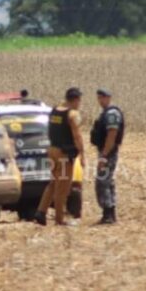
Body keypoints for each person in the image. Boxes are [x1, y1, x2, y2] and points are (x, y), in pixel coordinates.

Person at [34, 87, 86, 226]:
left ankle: (41, 212)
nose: (79, 103)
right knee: (62, 186)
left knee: (53, 183)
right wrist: (82, 154)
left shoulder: (55, 110)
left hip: (51, 150)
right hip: (64, 153)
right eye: (79, 100)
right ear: (75, 100)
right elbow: (77, 136)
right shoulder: (72, 114)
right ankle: (59, 219)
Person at [90, 88, 124, 224]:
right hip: (105, 151)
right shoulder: (106, 113)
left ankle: (109, 214)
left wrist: (104, 156)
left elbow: (112, 135)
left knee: (103, 182)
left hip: (108, 153)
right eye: (98, 98)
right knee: (107, 182)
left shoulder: (112, 114)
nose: (100, 100)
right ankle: (109, 213)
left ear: (108, 98)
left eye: (102, 97)